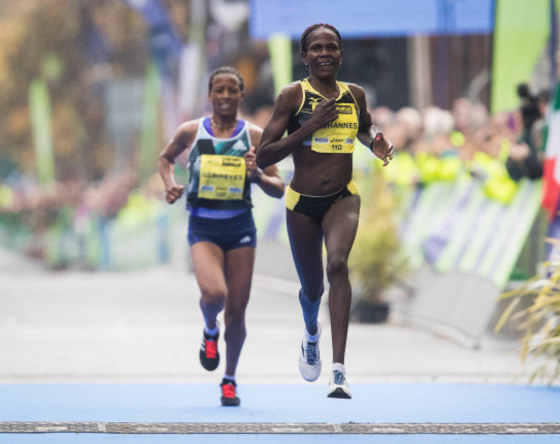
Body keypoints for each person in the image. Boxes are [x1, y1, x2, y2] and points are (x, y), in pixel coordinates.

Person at [256, 24, 394, 399]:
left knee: (338, 266)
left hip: (342, 198)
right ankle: (311, 333)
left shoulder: (355, 95)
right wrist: (310, 127)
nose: (324, 53)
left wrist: (376, 143)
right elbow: (264, 155)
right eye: (316, 48)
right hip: (301, 204)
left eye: (331, 47)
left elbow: (365, 130)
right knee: (312, 288)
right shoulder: (292, 97)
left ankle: (338, 370)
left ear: (341, 54)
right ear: (304, 57)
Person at [158, 66, 285, 406]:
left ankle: (229, 379)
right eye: (220, 90)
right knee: (214, 293)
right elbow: (166, 158)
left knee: (238, 312)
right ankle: (209, 328)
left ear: (241, 95)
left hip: (241, 227)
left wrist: (256, 175)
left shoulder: (256, 136)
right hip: (203, 227)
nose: (226, 96)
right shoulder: (191, 131)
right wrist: (170, 185)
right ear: (210, 95)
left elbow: (279, 187)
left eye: (233, 90)